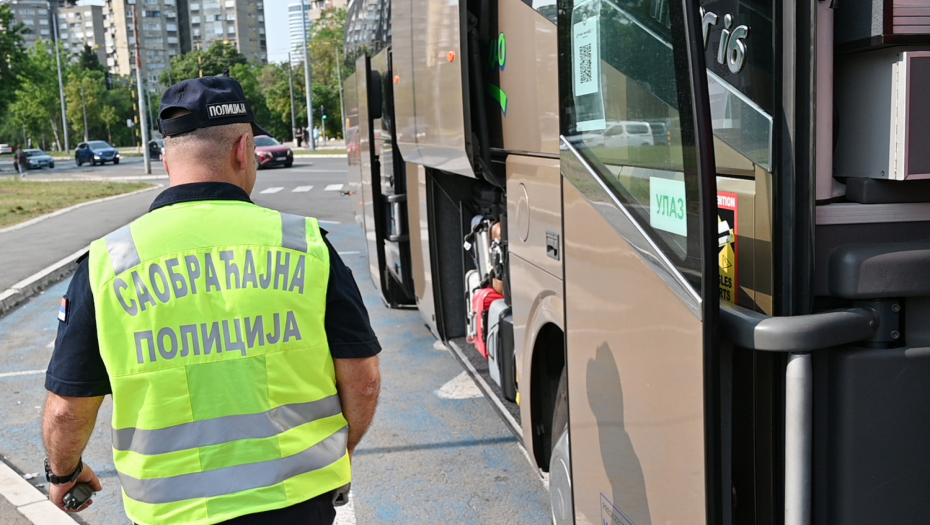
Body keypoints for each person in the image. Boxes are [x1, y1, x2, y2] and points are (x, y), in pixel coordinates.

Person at [41, 76, 382, 525]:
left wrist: (63, 472)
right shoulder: (303, 244)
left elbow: (67, 411)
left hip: (170, 510)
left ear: (166, 159)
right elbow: (362, 382)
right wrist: (340, 451)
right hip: (297, 500)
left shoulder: (109, 262)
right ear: (244, 149)